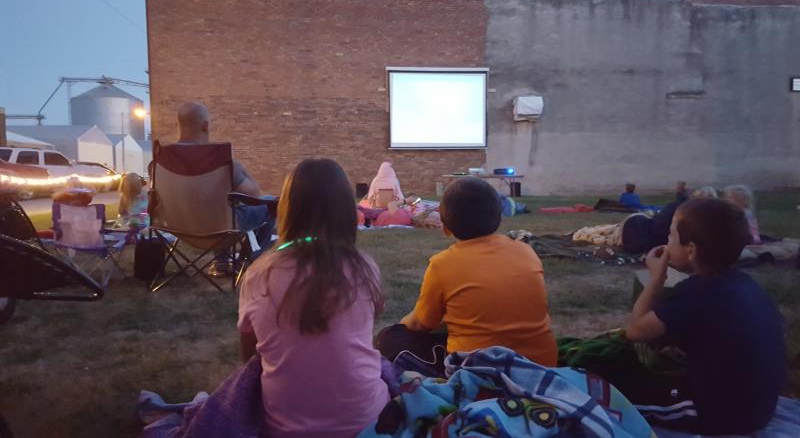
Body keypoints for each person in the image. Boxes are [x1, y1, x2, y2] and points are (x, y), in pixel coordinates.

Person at [238, 158, 388, 437]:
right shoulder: (364, 267)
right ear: (346, 211)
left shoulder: (259, 274)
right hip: (366, 421)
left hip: (284, 428)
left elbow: (250, 354)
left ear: (287, 209)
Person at [625, 198, 785, 434]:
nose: (666, 241)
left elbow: (635, 331)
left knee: (615, 397)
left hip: (722, 413)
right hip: (759, 406)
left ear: (690, 250)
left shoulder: (698, 293)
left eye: (671, 235)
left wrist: (657, 278)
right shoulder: (745, 284)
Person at [376, 177, 557, 375]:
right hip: (541, 365)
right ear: (499, 217)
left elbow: (420, 323)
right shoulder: (526, 251)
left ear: (445, 227)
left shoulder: (442, 264)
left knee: (390, 339)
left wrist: (397, 329)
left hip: (478, 372)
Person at [175, 101, 276, 276]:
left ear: (178, 124)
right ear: (205, 126)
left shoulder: (161, 161)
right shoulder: (220, 162)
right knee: (270, 202)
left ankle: (221, 263)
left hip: (180, 229)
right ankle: (250, 260)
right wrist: (239, 169)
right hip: (219, 231)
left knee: (220, 203)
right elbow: (255, 195)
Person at [621, 185, 717, 254]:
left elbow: (658, 225)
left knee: (634, 221)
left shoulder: (681, 209)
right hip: (643, 237)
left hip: (641, 238)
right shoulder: (700, 218)